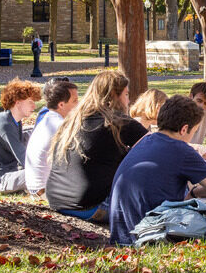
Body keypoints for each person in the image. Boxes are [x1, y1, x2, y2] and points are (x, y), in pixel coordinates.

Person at [109, 96, 206, 246]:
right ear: (184, 129)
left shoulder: (144, 141)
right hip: (153, 231)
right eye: (193, 132)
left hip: (121, 234)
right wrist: (195, 193)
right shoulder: (181, 149)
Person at [46, 71, 149, 222]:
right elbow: (158, 149)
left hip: (57, 201)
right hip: (91, 206)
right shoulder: (118, 121)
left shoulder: (73, 121)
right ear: (114, 94)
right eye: (126, 95)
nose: (128, 101)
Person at [24, 77, 79, 196]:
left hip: (36, 187)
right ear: (61, 104)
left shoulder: (48, 119)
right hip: (45, 190)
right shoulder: (59, 125)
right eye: (75, 101)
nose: (79, 105)